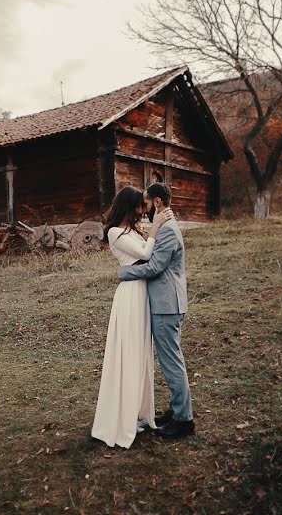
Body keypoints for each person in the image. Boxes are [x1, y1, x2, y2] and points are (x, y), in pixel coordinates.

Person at [91, 186, 175, 448]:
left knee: (140, 353)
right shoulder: (115, 233)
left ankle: (138, 412)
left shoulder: (133, 230)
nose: (142, 211)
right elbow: (146, 254)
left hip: (143, 294)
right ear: (128, 207)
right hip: (130, 296)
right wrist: (157, 225)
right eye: (138, 206)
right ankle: (121, 418)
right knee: (128, 353)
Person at [119, 182, 194, 439]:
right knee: (170, 360)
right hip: (165, 303)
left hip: (166, 304)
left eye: (147, 203)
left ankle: (184, 420)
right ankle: (176, 411)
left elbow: (155, 267)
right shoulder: (165, 227)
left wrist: (125, 272)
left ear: (158, 202)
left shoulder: (168, 231)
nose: (144, 209)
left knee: (172, 362)